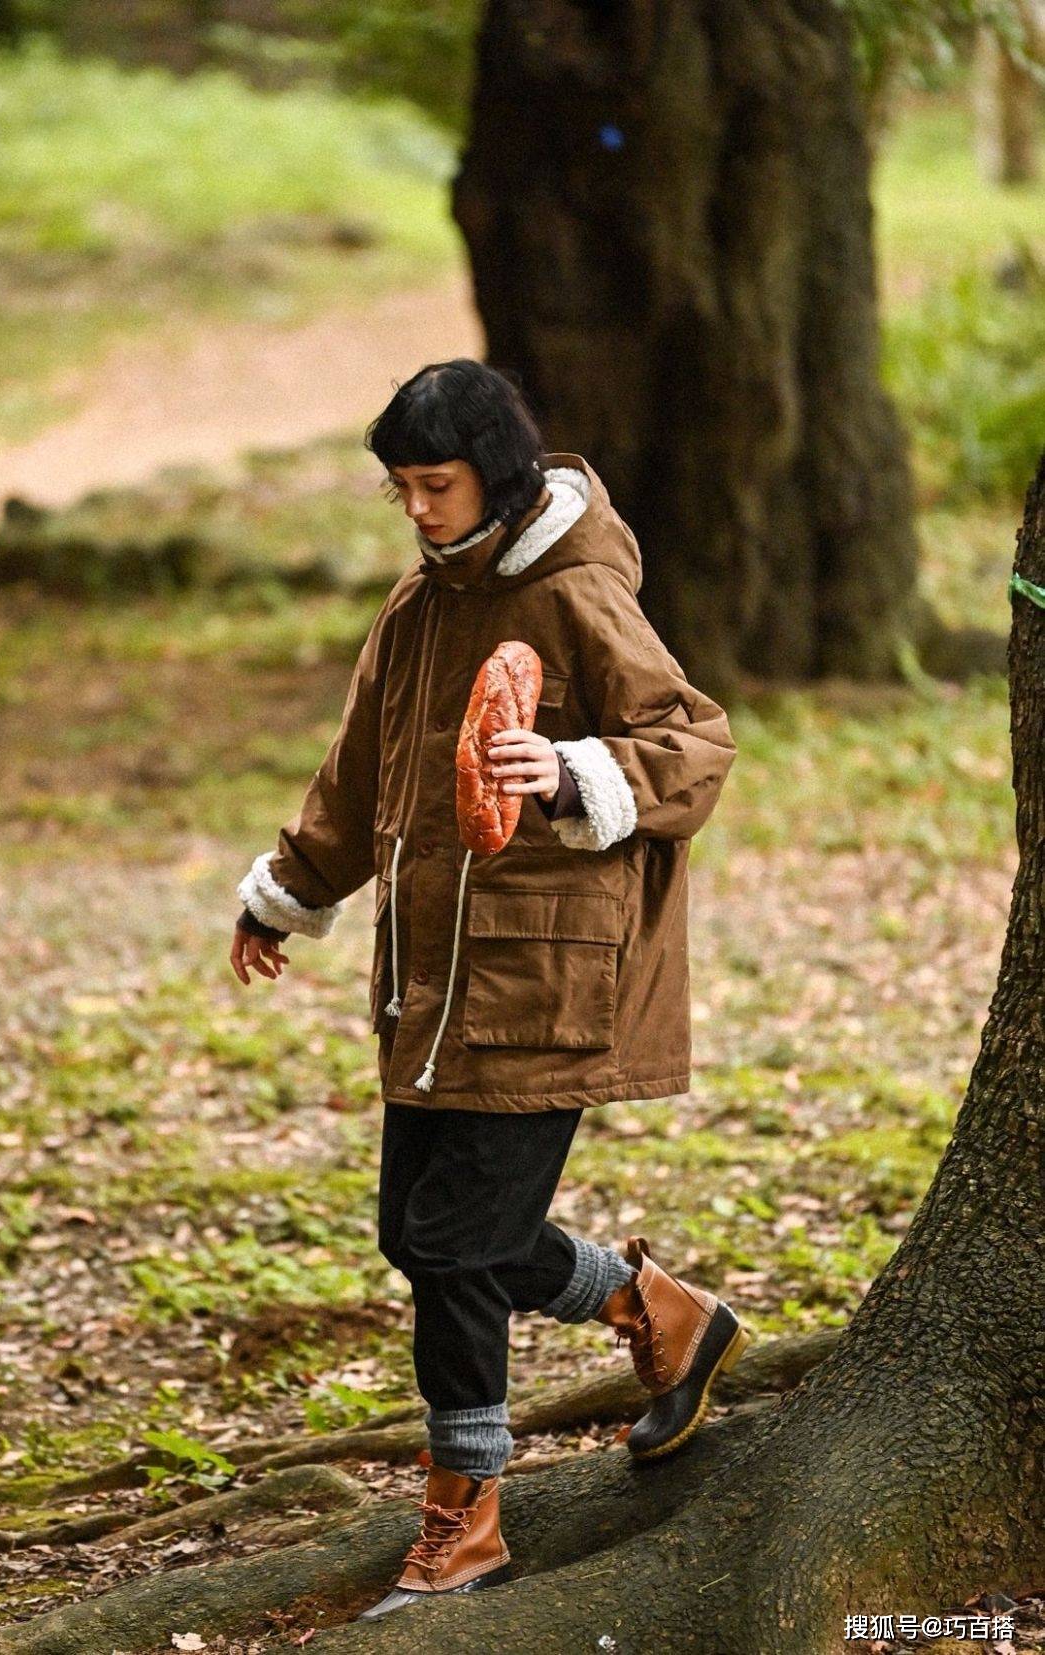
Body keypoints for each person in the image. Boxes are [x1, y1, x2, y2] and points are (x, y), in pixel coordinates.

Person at [230, 359, 747, 1621]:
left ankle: (465, 1519)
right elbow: (359, 780)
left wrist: (569, 770)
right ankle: (654, 1305)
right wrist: (284, 890)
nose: (414, 507)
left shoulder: (577, 591)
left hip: (546, 979)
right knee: (422, 1234)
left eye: (435, 482)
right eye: (400, 486)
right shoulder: (417, 609)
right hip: (431, 982)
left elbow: (694, 745)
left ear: (498, 476)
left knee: (457, 1245)